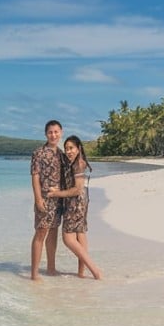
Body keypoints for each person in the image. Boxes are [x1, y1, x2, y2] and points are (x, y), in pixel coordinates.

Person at [46, 135, 101, 280]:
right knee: (80, 235)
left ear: (79, 148)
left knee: (68, 239)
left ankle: (95, 271)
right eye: (66, 148)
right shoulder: (76, 162)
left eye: (71, 148)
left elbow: (77, 189)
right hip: (82, 203)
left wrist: (56, 193)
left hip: (75, 203)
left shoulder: (78, 165)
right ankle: (81, 273)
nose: (68, 151)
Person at [30, 120, 65, 280]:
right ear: (46, 134)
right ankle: (34, 273)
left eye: (56, 131)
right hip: (43, 199)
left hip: (57, 201)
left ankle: (51, 268)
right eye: (50, 132)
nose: (53, 135)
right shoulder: (38, 153)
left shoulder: (62, 154)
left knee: (53, 233)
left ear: (61, 133)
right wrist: (38, 199)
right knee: (40, 232)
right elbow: (35, 176)